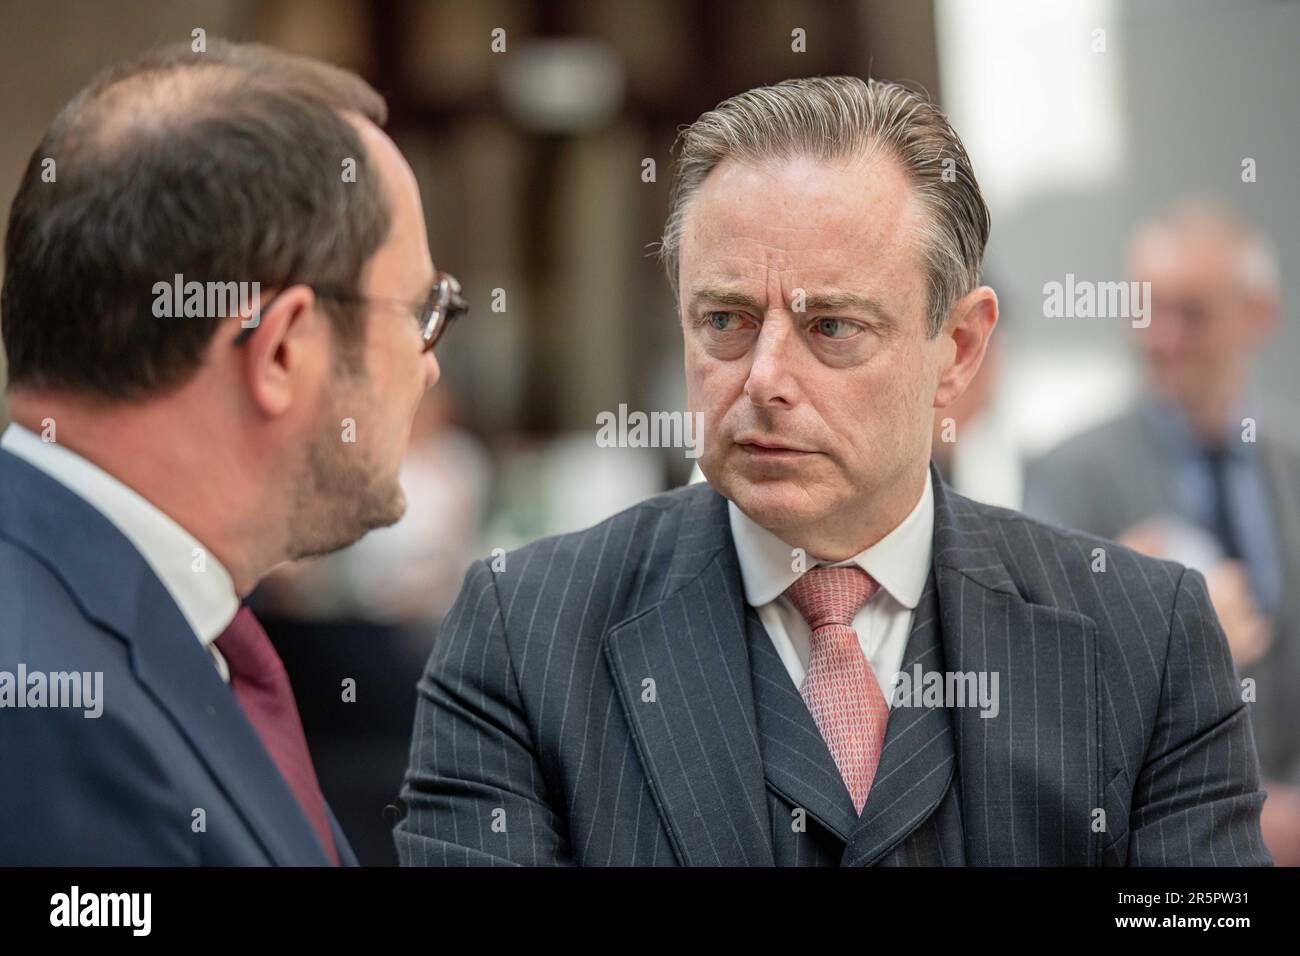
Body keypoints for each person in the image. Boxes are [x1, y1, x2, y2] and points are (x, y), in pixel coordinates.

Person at [395, 77, 1269, 866]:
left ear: (958, 350)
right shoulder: (525, 636)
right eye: (727, 320)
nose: (766, 379)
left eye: (832, 328)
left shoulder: (1145, 639)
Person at [0, 39, 463, 865]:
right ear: (283, 348)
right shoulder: (50, 714)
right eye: (422, 311)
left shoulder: (145, 623)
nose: (429, 364)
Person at [1024, 201, 1300, 864]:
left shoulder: (1289, 465)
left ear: (1258, 314)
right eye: (1147, 309)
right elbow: (1044, 694)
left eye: (1193, 312)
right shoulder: (1068, 476)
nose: (1164, 336)